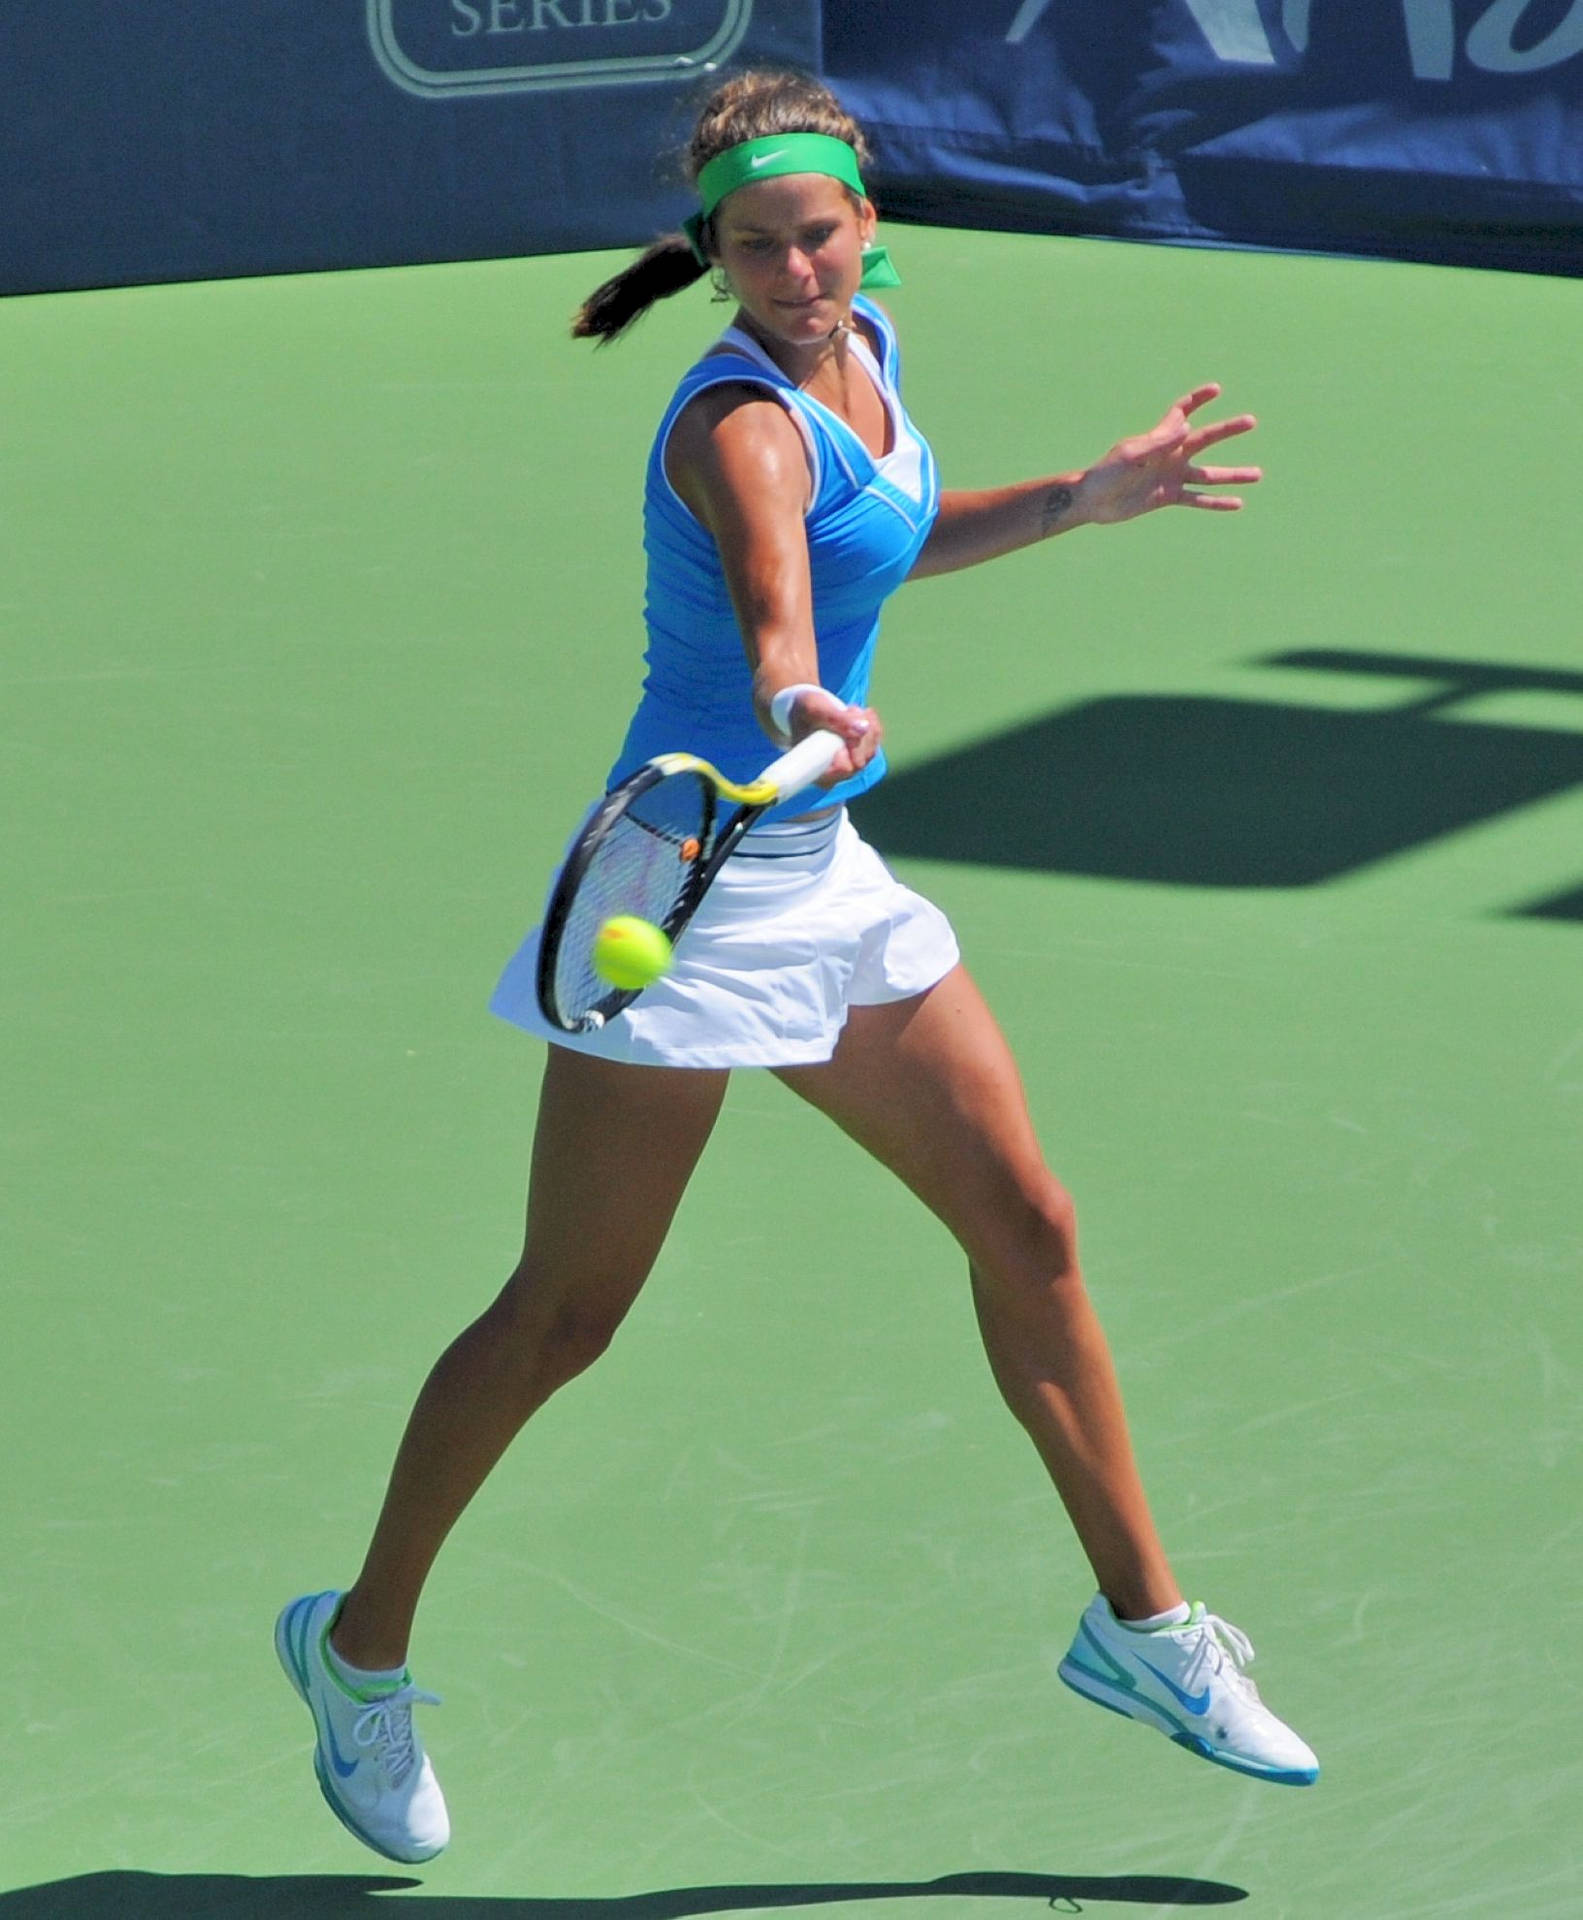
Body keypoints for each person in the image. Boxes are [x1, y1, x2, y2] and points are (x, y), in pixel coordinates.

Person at [275, 68, 1318, 1866]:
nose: (793, 271)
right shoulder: (743, 422)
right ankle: (356, 1649)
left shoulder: (873, 348)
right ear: (713, 253)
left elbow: (889, 533)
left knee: (1032, 1229)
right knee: (564, 1318)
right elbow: (782, 601)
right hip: (688, 889)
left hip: (819, 865)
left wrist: (1081, 495)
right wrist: (796, 700)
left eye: (816, 234)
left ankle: (1143, 1629)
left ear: (867, 224)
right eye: (753, 247)